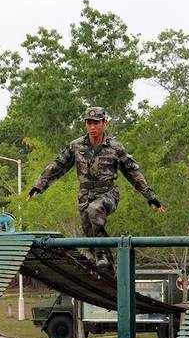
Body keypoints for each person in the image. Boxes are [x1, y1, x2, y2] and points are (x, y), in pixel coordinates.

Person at [26, 106, 164, 267]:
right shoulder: (76, 146)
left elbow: (133, 172)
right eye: (89, 123)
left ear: (104, 123)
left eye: (96, 123)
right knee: (90, 234)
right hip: (85, 194)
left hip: (108, 194)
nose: (92, 127)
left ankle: (101, 255)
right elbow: (58, 165)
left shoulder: (115, 147)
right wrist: (38, 186)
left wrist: (150, 196)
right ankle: (108, 269)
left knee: (95, 210)